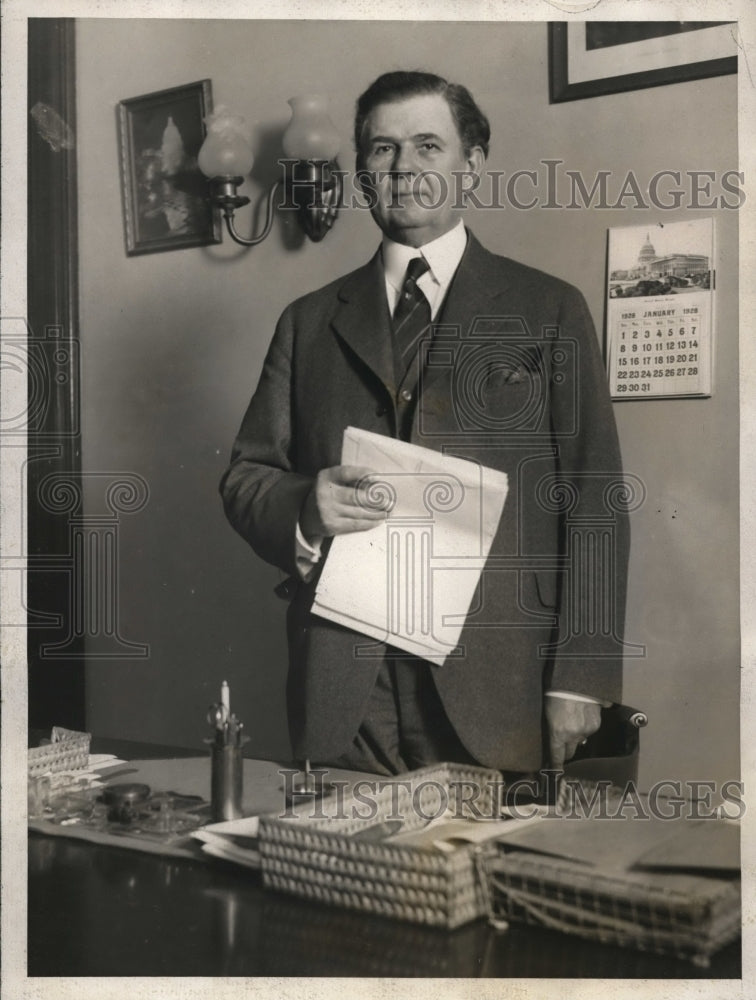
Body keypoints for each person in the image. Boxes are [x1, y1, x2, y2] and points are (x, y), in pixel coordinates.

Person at [220, 71, 629, 776]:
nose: (404, 169)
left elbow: (595, 499)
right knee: (342, 882)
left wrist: (581, 677)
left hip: (497, 682)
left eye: (427, 146)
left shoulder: (547, 309)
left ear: (472, 164)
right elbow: (245, 478)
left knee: (487, 881)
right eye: (382, 150)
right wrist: (304, 506)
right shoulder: (308, 323)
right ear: (362, 172)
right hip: (346, 686)